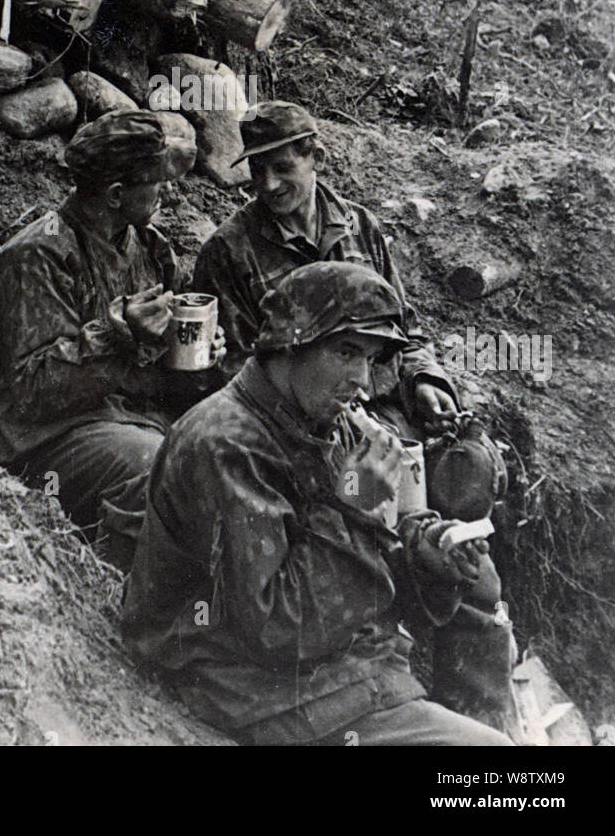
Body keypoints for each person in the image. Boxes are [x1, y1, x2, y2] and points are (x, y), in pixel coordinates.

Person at [121, 261, 516, 746]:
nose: (363, 383)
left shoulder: (321, 417)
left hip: (329, 662)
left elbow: (363, 545)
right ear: (290, 343)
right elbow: (275, 629)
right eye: (346, 353)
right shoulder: (227, 445)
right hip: (236, 676)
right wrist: (359, 503)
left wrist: (425, 550)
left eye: (369, 360)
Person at [0, 109, 222, 568]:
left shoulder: (149, 247)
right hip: (41, 436)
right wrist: (117, 333)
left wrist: (194, 357)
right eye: (155, 180)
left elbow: (155, 377)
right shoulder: (36, 257)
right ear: (115, 194)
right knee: (161, 467)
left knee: (230, 450)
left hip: (125, 415)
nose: (166, 189)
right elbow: (34, 392)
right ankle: (143, 602)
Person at [193, 100, 457, 429]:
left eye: (282, 167)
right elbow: (232, 369)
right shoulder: (229, 250)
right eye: (257, 170)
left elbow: (403, 329)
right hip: (292, 425)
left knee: (469, 456)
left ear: (317, 158)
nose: (268, 184)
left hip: (383, 407)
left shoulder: (360, 225)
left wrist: (425, 380)